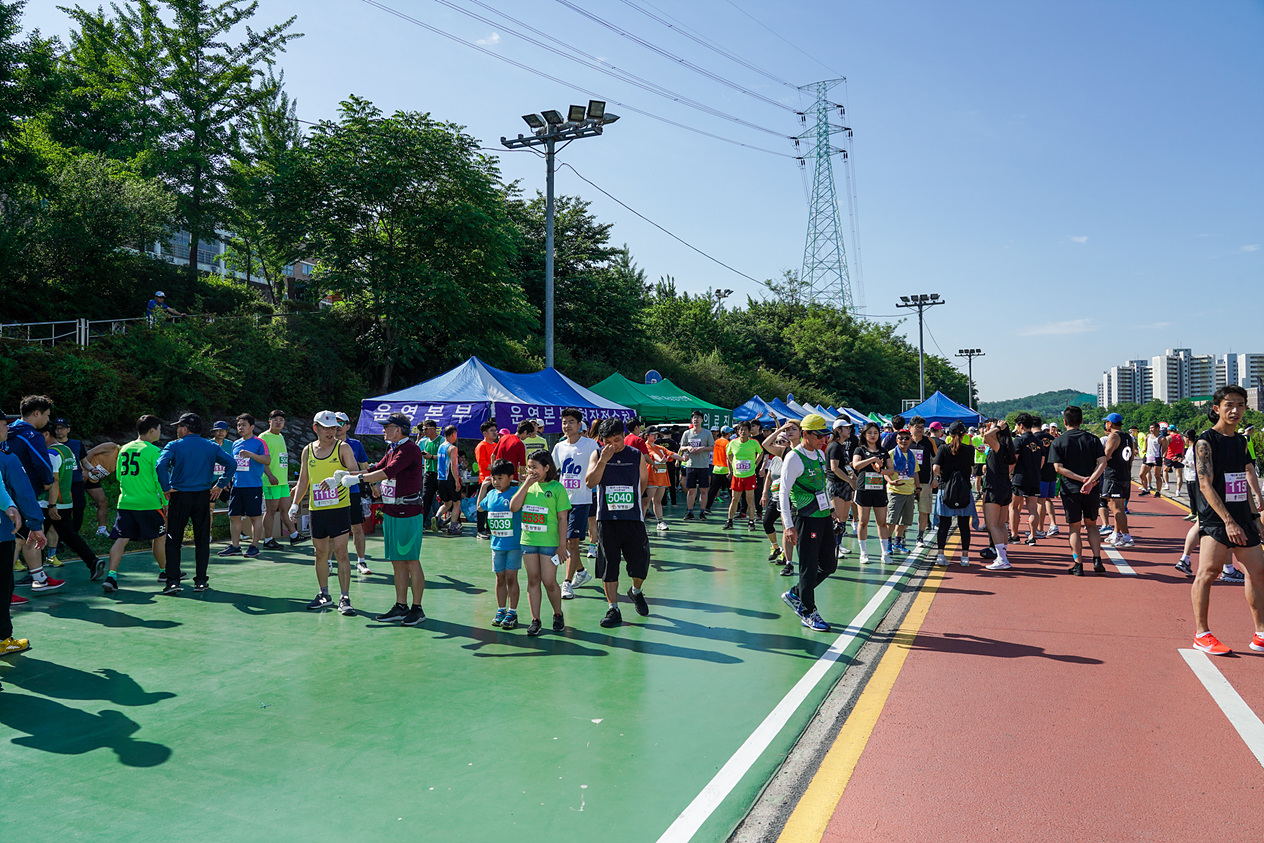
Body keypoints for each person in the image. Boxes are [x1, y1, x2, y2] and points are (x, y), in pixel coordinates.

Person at [1189, 386, 1264, 655]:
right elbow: (1206, 485)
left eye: (1240, 405)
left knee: (1258, 573)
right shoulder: (1205, 442)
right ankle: (1202, 633)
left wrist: (1254, 516)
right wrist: (1228, 521)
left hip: (1242, 516)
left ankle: (1260, 633)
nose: (1235, 410)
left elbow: (1241, 481)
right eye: (1229, 405)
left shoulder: (1242, 441)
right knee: (1208, 573)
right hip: (1216, 519)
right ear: (1216, 408)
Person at [348, 414, 427, 626]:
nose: (383, 430)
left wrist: (356, 478)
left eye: (387, 427)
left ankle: (417, 609)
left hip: (407, 510)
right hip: (392, 509)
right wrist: (346, 474)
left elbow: (387, 472)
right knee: (397, 561)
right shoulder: (393, 449)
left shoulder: (410, 449)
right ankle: (401, 606)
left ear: (399, 429)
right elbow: (375, 468)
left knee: (410, 559)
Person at [156, 413, 235, 594]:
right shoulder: (210, 446)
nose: (177, 430)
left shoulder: (174, 445)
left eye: (179, 426)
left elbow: (161, 466)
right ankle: (200, 581)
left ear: (185, 428)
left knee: (173, 539)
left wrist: (166, 487)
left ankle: (173, 581)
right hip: (202, 496)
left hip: (180, 496)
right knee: (201, 540)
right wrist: (220, 485)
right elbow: (231, 464)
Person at [289, 411, 358, 614]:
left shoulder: (343, 447)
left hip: (339, 508)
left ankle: (344, 597)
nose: (331, 431)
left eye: (333, 427)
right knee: (320, 553)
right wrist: (295, 504)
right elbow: (304, 479)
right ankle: (323, 594)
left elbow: (356, 473)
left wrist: (337, 478)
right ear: (315, 428)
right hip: (317, 510)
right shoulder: (308, 450)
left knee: (341, 552)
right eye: (325, 427)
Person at [585, 418, 651, 629]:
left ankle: (636, 591)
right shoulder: (597, 454)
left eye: (618, 439)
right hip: (607, 519)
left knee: (640, 565)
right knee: (609, 566)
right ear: (602, 440)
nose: (615, 444)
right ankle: (613, 608)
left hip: (632, 519)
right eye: (609, 441)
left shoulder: (636, 455)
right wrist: (604, 460)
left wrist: (632, 502)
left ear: (624, 436)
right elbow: (590, 482)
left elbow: (643, 481)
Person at [778, 414, 836, 632]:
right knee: (808, 568)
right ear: (806, 434)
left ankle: (796, 593)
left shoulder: (820, 455)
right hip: (805, 519)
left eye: (825, 434)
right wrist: (788, 524)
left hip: (823, 517)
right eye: (819, 435)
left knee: (829, 565)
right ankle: (808, 612)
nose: (824, 438)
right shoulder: (793, 458)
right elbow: (784, 493)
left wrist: (831, 509)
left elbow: (821, 487)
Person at [102, 415, 169, 593]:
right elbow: (159, 480)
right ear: (152, 430)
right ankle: (164, 571)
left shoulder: (124, 448)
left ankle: (112, 575)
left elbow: (118, 476)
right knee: (159, 537)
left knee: (121, 539)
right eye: (159, 429)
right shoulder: (154, 451)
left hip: (126, 502)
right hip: (149, 503)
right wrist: (165, 502)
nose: (160, 432)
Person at [510, 449, 569, 636]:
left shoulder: (558, 488)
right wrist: (526, 484)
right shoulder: (527, 486)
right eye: (529, 467)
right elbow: (513, 507)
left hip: (549, 543)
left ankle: (557, 614)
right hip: (529, 541)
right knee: (533, 579)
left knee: (549, 581)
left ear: (546, 467)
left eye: (535, 467)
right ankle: (535, 619)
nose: (531, 471)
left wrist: (562, 545)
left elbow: (562, 519)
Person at [1, 410, 48, 628]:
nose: (7, 429)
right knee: (2, 586)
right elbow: (23, 493)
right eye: (4, 425)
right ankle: (3, 639)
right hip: (3, 532)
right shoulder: (7, 459)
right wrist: (35, 524)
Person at [1048, 405, 1108, 576]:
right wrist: (1091, 480)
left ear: (1064, 422)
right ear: (1081, 421)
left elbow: (1058, 468)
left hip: (1071, 489)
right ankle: (1097, 559)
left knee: (1074, 527)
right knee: (1092, 524)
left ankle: (1078, 564)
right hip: (1092, 489)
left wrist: (1082, 480)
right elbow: (1103, 462)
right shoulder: (1092, 439)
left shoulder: (1058, 441)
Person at [43, 423, 104, 578]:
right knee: (70, 535)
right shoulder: (67, 451)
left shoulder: (52, 453)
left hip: (50, 502)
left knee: (31, 538)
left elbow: (54, 480)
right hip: (66, 500)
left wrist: (51, 504)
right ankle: (92, 561)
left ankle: (35, 572)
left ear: (46, 435)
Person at [217, 413, 278, 560]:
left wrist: (252, 455)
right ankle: (235, 546)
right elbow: (233, 464)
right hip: (237, 486)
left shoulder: (259, 443)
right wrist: (227, 479)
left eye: (243, 425)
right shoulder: (235, 444)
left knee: (255, 517)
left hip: (253, 486)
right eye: (238, 425)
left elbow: (267, 460)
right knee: (233, 516)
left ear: (252, 427)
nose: (240, 428)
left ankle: (254, 546)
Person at [552, 409, 598, 599]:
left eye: (571, 422)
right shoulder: (559, 447)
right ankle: (581, 572)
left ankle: (566, 583)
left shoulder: (590, 444)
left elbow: (598, 467)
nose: (567, 426)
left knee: (572, 542)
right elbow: (552, 471)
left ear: (580, 425)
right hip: (562, 502)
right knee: (565, 542)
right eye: (564, 422)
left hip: (581, 500)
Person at [478, 459, 523, 629]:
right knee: (499, 578)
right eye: (494, 478)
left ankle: (512, 611)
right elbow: (480, 507)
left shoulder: (516, 492)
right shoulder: (491, 495)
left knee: (512, 577)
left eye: (500, 478)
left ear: (511, 477)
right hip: (496, 545)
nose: (496, 482)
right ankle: (501, 609)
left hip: (514, 545)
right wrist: (484, 487)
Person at [852, 422, 897, 565]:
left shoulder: (883, 451)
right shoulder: (859, 450)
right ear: (864, 435)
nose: (873, 435)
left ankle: (884, 553)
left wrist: (880, 471)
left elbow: (891, 470)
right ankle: (863, 553)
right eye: (869, 433)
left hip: (879, 490)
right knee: (863, 521)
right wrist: (872, 459)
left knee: (882, 522)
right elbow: (856, 465)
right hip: (864, 489)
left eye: (875, 433)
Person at [932, 422, 975, 567]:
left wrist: (943, 476)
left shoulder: (943, 448)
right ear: (964, 435)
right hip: (964, 490)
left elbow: (936, 468)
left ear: (948, 434)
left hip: (946, 489)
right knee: (964, 524)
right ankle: (965, 557)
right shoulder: (969, 450)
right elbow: (972, 470)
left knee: (945, 523)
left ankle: (941, 554)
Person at [334, 412, 373, 573]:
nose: (336, 427)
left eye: (340, 423)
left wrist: (374, 484)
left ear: (348, 426)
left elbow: (365, 467)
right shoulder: (324, 445)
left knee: (356, 527)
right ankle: (329, 563)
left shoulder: (355, 445)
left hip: (353, 491)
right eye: (333, 423)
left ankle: (361, 562)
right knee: (332, 528)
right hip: (331, 494)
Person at [259, 410, 302, 550]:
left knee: (286, 509)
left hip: (282, 481)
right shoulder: (264, 437)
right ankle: (268, 539)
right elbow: (261, 460)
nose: (278, 422)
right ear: (269, 421)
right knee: (271, 510)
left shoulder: (281, 437)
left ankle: (294, 535)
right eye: (275, 419)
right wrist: (270, 475)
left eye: (281, 420)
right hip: (270, 480)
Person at [977, 420, 1016, 570]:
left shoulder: (999, 447)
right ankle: (1003, 556)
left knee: (992, 524)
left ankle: (1001, 558)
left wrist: (998, 427)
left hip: (995, 488)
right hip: (1005, 487)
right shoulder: (1007, 448)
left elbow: (986, 436)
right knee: (1001, 525)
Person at [1099, 413, 1135, 548]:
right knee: (1118, 506)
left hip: (1113, 476)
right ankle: (1116, 533)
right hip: (1124, 475)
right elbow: (1131, 458)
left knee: (1115, 508)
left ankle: (1127, 536)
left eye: (1106, 422)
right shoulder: (1128, 437)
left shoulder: (1114, 436)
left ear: (1111, 423)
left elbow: (1106, 455)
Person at [1009, 414, 1045, 545]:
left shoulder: (1019, 441)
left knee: (1013, 507)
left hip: (1020, 478)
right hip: (1035, 477)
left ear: (1021, 425)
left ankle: (1014, 535)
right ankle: (1032, 536)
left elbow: (1014, 460)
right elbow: (1042, 461)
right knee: (1032, 508)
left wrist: (1008, 472)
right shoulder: (1038, 442)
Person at [886, 429, 920, 554]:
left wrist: (918, 488)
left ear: (911, 439)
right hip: (895, 491)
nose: (903, 441)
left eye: (906, 438)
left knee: (904, 521)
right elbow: (885, 471)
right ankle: (888, 543)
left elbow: (915, 472)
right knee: (891, 520)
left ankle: (897, 543)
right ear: (896, 440)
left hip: (909, 491)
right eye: (901, 438)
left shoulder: (912, 455)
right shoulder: (891, 453)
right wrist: (890, 481)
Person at [724, 421, 762, 532]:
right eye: (741, 429)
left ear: (749, 431)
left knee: (750, 499)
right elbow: (728, 454)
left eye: (745, 429)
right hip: (737, 476)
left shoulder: (754, 443)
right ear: (737, 431)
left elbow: (761, 452)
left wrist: (755, 464)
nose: (743, 431)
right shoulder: (732, 443)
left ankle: (751, 521)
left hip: (749, 475)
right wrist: (732, 466)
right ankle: (729, 521)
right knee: (735, 499)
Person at [907, 417, 937, 546]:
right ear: (910, 427)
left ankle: (920, 537)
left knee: (923, 511)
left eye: (922, 427)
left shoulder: (929, 442)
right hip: (906, 481)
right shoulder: (905, 440)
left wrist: (936, 477)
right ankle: (900, 536)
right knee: (905, 510)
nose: (919, 429)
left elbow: (936, 460)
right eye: (916, 426)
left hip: (925, 481)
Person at [679, 411, 714, 520]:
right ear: (691, 420)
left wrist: (702, 448)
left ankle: (702, 512)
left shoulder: (707, 433)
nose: (696, 419)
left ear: (702, 420)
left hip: (703, 465)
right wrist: (688, 448)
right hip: (690, 465)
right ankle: (690, 512)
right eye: (694, 417)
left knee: (703, 490)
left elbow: (712, 447)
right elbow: (681, 447)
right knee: (691, 490)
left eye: (698, 418)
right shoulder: (687, 433)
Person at [83, 439, 121, 536]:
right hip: (82, 474)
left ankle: (102, 530)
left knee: (102, 501)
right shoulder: (112, 447)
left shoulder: (123, 461)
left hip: (94, 480)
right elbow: (89, 453)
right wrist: (86, 470)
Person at [644, 428, 676, 531]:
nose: (655, 436)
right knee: (645, 502)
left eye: (656, 434)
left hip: (661, 478)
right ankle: (641, 524)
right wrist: (660, 460)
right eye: (653, 434)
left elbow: (670, 454)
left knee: (657, 501)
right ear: (647, 435)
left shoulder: (660, 447)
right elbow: (653, 455)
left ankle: (660, 521)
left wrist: (683, 458)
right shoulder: (645, 446)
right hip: (651, 478)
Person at [434, 425, 463, 535]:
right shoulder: (452, 448)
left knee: (447, 503)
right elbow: (453, 466)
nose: (456, 437)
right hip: (450, 478)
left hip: (440, 479)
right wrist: (457, 480)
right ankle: (453, 527)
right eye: (455, 434)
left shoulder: (441, 446)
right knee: (456, 503)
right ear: (452, 434)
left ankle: (437, 517)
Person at [1035, 418, 1060, 537]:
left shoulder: (1034, 438)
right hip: (1052, 472)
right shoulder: (1052, 438)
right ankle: (1053, 524)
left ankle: (1039, 528)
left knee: (1040, 501)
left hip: (1041, 472)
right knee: (1047, 500)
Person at [474, 421, 499, 540]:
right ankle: (480, 529)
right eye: (492, 431)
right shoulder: (481, 446)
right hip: (485, 480)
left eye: (495, 430)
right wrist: (496, 468)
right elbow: (482, 463)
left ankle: (490, 528)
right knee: (482, 506)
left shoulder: (495, 445)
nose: (495, 433)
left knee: (492, 505)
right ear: (485, 433)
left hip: (495, 480)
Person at [704, 426, 732, 516]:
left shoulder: (716, 442)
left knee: (713, 490)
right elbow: (729, 457)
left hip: (716, 468)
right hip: (726, 469)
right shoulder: (728, 443)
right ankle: (738, 507)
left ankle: (707, 507)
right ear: (728, 434)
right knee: (732, 490)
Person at [1139, 422, 1163, 496]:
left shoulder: (1161, 438)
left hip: (1157, 457)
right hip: (1148, 457)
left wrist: (1164, 458)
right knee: (1141, 474)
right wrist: (1145, 449)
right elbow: (1146, 443)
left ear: (1157, 429)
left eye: (1152, 428)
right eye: (1150, 428)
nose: (1151, 429)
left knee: (1157, 475)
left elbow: (1164, 449)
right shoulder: (1149, 436)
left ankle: (1158, 491)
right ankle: (1146, 489)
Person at [1163, 425, 1186, 493]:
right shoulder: (1182, 437)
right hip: (1179, 457)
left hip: (1170, 456)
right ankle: (1178, 490)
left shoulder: (1168, 438)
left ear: (1169, 431)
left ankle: (1167, 484)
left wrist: (1163, 457)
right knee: (1179, 475)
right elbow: (1183, 447)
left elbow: (1165, 448)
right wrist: (1183, 455)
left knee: (1165, 470)